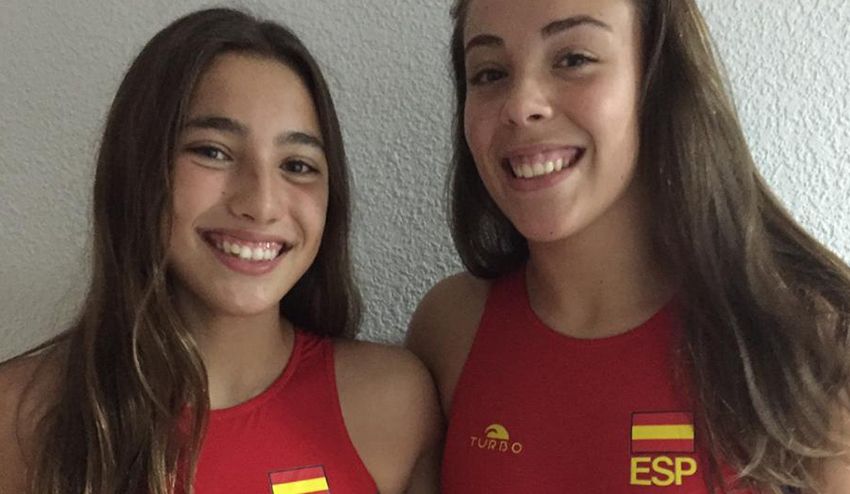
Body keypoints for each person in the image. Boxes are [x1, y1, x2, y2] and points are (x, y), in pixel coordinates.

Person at [406, 0, 850, 492]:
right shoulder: (449, 329)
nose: (520, 104)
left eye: (573, 59)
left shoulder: (816, 339)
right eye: (489, 73)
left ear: (658, 82)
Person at [0, 8, 439, 494]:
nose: (261, 203)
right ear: (138, 168)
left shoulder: (393, 403)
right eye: (213, 151)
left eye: (297, 164)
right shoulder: (18, 416)